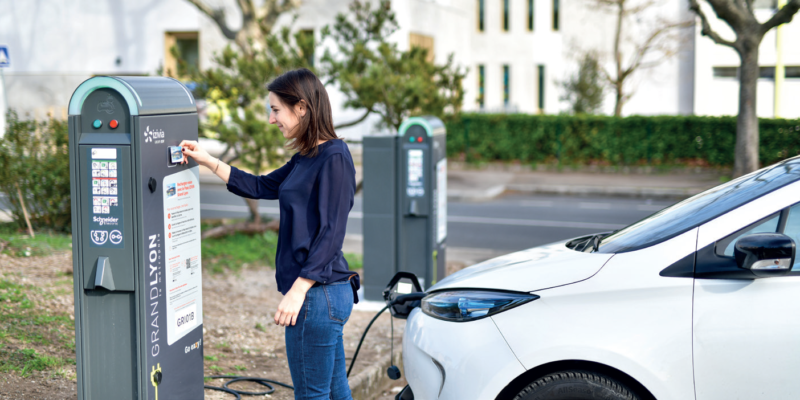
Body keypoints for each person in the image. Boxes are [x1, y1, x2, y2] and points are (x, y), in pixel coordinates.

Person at [179, 68, 359, 400]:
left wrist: (298, 290)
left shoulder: (334, 157)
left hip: (318, 295)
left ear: (302, 107)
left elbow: (332, 232)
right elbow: (261, 186)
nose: (272, 119)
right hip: (324, 294)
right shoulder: (307, 158)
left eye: (276, 109)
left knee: (313, 395)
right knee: (335, 391)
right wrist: (207, 160)